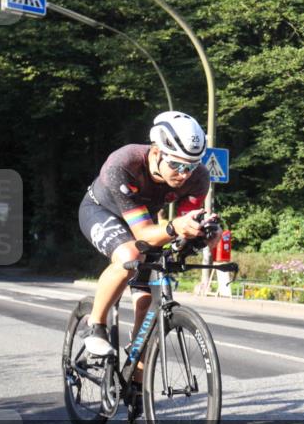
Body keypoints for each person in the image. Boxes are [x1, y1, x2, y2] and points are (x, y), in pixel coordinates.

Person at [78, 111, 218, 361]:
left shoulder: (198, 179)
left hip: (144, 217)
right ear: (156, 152)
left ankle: (137, 371)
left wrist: (202, 235)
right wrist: (175, 228)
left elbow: (190, 219)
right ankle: (95, 325)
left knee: (148, 298)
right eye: (176, 164)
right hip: (101, 211)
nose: (184, 174)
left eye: (191, 166)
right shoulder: (123, 163)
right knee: (130, 255)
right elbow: (144, 234)